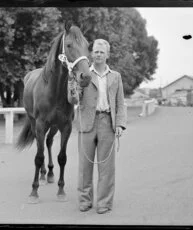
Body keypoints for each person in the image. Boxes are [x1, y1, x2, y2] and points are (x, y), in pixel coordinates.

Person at [68, 38, 127, 214]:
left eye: (102, 52)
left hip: (107, 123)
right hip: (86, 123)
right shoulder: (83, 74)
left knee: (106, 167)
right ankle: (85, 201)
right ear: (91, 54)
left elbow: (120, 102)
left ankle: (104, 203)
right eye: (95, 51)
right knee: (84, 166)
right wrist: (71, 82)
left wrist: (119, 124)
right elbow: (72, 99)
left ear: (107, 55)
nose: (98, 54)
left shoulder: (115, 76)